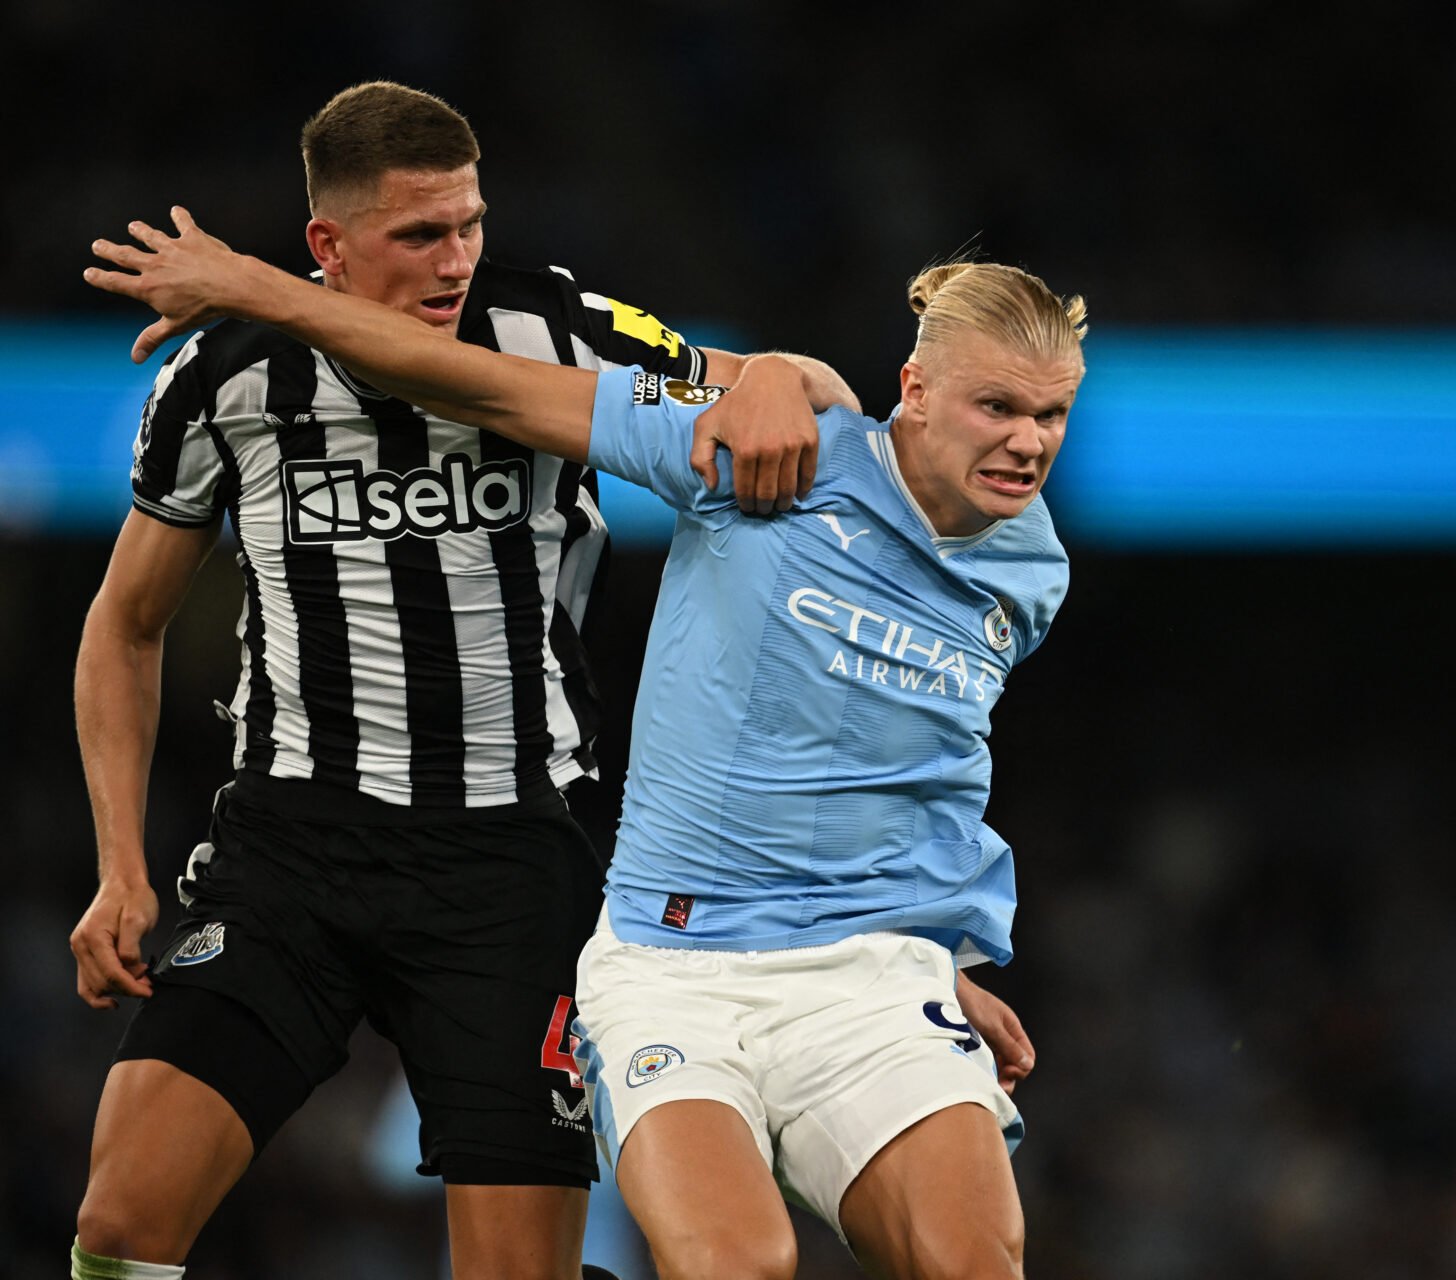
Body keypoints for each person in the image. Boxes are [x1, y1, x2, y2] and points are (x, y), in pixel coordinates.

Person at [68, 83, 1031, 1280]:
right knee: (119, 1221)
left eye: (469, 223)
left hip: (513, 871)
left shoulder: (554, 325)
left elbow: (777, 396)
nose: (457, 257)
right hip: (291, 852)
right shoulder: (226, 379)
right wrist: (119, 865)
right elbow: (124, 625)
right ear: (327, 243)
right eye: (421, 234)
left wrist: (781, 364)